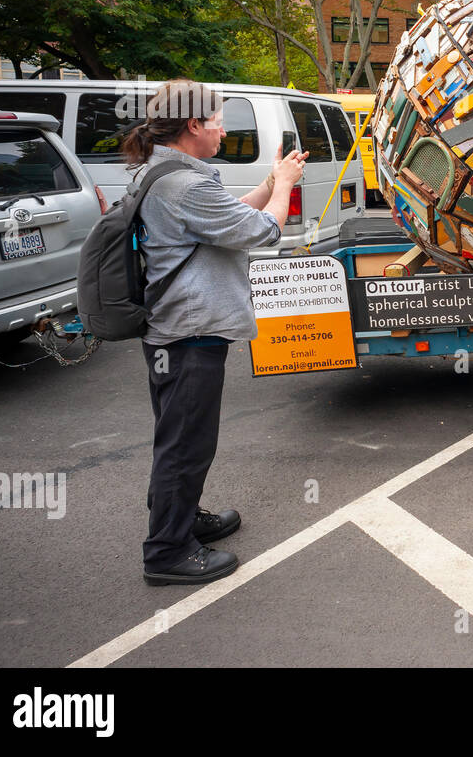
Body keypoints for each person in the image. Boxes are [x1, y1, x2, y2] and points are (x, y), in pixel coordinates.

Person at [122, 79, 307, 586]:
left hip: (173, 329)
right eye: (219, 122)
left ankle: (184, 517)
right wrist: (287, 185)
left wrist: (271, 182)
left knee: (179, 438)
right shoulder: (186, 184)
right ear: (193, 125)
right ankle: (167, 552)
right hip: (189, 333)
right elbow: (263, 231)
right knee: (186, 444)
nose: (225, 131)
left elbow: (227, 218)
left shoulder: (164, 173)